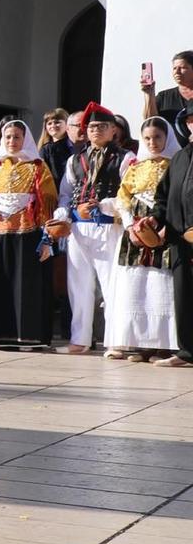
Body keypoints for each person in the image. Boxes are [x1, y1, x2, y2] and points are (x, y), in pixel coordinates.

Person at [0, 117, 60, 351]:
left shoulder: (37, 166)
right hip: (0, 231)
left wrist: (47, 236)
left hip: (28, 231)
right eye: (8, 137)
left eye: (17, 137)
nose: (12, 141)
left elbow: (48, 200)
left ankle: (29, 335)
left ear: (25, 139)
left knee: (26, 285)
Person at [105, 116, 180, 361]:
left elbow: (177, 200)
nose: (152, 142)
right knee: (137, 286)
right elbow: (123, 198)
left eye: (157, 137)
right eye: (147, 138)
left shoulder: (176, 166)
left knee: (161, 285)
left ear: (167, 137)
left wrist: (164, 228)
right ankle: (140, 342)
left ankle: (165, 345)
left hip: (163, 232)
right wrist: (129, 226)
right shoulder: (135, 167)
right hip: (136, 232)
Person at [56, 103, 124, 355]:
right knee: (78, 285)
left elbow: (128, 196)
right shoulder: (76, 159)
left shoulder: (124, 158)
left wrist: (105, 206)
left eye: (101, 126)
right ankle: (80, 339)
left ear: (113, 130)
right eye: (92, 126)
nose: (95, 130)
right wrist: (63, 215)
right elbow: (65, 193)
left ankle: (115, 340)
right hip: (79, 228)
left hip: (108, 227)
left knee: (112, 284)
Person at [150, 117, 193, 367]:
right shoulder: (178, 158)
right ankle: (187, 351)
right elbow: (162, 196)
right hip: (180, 240)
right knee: (183, 295)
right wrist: (155, 220)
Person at [143, 51, 193, 130]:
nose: (177, 72)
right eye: (174, 68)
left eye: (183, 68)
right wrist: (149, 94)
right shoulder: (164, 97)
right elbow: (150, 123)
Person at [40, 108, 73, 173]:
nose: (53, 126)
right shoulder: (46, 149)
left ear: (67, 124)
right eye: (49, 123)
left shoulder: (74, 146)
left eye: (57, 122)